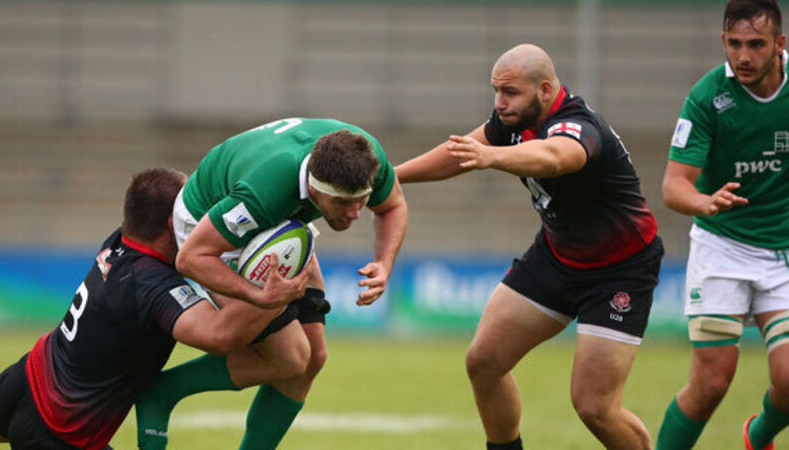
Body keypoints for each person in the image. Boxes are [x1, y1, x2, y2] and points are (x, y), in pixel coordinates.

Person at [395, 44, 663, 449]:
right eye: (496, 91)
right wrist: (391, 177)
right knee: (484, 362)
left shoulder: (579, 125)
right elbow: (458, 155)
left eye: (510, 92)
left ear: (544, 89)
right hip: (557, 258)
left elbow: (555, 156)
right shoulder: (511, 120)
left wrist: (491, 156)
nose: (499, 102)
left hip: (619, 271)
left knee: (595, 407)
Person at [135, 118, 408, 449]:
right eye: (342, 202)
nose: (354, 214)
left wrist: (384, 262)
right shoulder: (264, 192)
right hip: (208, 228)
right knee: (290, 359)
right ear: (314, 187)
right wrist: (257, 296)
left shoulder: (365, 158)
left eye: (361, 200)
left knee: (313, 358)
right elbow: (192, 258)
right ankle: (163, 392)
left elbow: (393, 205)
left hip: (280, 222)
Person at [0, 167, 307, 449]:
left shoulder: (122, 241)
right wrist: (271, 295)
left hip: (28, 376)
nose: (201, 217)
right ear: (173, 222)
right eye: (192, 209)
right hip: (59, 429)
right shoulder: (151, 283)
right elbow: (218, 334)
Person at [656, 1, 789, 449]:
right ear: (723, 42)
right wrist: (705, 202)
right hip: (722, 246)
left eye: (756, 44)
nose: (743, 56)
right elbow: (674, 186)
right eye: (734, 44)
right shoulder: (708, 97)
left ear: (780, 43)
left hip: (783, 252)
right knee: (711, 383)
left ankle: (758, 435)